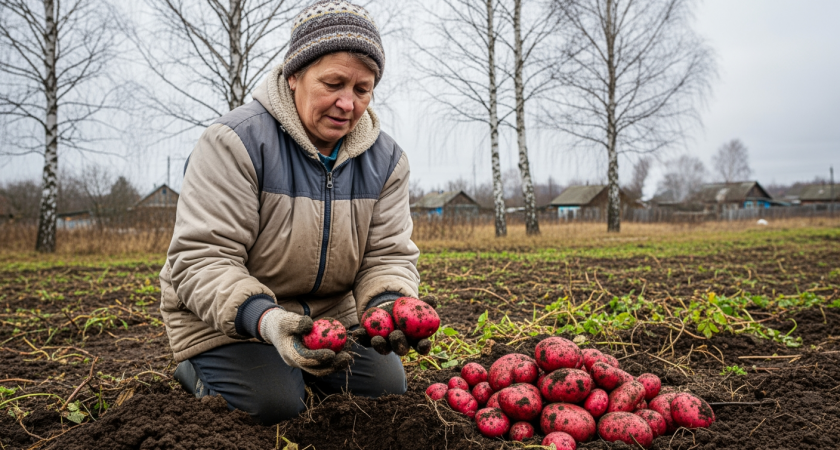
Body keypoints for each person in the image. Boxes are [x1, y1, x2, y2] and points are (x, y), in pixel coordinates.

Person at [160, 0, 437, 425]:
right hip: (230, 319)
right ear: (293, 76)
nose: (347, 103)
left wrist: (387, 306)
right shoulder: (235, 142)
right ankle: (199, 370)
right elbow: (202, 259)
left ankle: (296, 373)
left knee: (385, 390)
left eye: (362, 89)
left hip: (327, 319)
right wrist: (268, 321)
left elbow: (388, 255)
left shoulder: (386, 160)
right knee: (273, 406)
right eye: (333, 83)